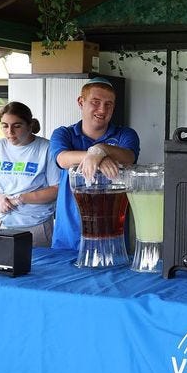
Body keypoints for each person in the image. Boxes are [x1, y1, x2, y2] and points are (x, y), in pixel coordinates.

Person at [50, 77, 140, 250]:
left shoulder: (125, 134)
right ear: (81, 102)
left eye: (108, 104)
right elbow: (62, 159)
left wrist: (100, 149)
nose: (102, 109)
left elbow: (129, 157)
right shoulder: (64, 134)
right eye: (95, 102)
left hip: (111, 232)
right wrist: (97, 156)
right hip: (70, 233)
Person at [0, 101, 61, 247]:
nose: (10, 132)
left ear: (29, 126)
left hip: (33, 226)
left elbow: (57, 189)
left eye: (17, 126)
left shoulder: (46, 148)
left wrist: (21, 198)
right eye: (5, 126)